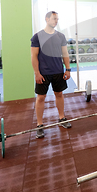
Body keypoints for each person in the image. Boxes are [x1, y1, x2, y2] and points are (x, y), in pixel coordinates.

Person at [31, 11, 72, 139]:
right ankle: (40, 125)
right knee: (41, 97)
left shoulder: (60, 36)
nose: (56, 21)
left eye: (57, 19)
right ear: (47, 19)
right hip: (43, 73)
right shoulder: (37, 37)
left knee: (59, 94)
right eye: (54, 18)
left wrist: (68, 69)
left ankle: (61, 118)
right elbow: (34, 56)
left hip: (58, 71)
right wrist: (36, 73)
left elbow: (65, 54)